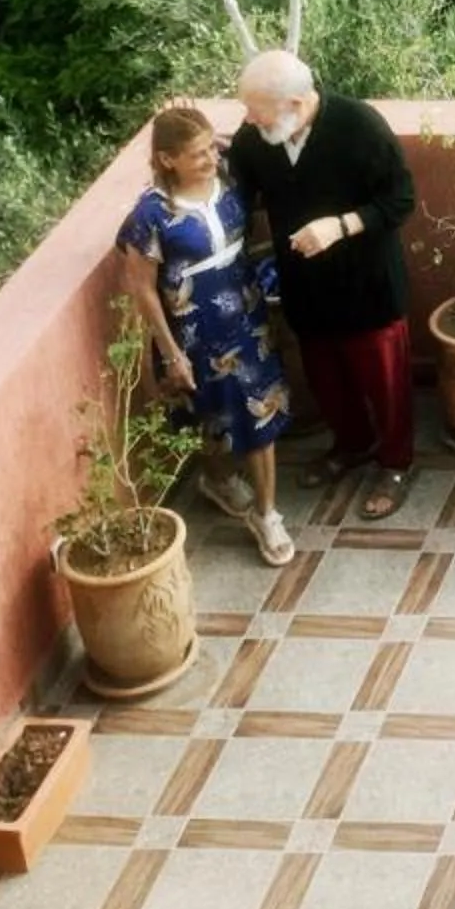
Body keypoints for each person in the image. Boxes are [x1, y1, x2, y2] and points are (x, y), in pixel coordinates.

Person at [228, 49, 421, 521]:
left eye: (257, 109)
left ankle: (396, 463)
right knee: (326, 377)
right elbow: (239, 188)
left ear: (295, 103)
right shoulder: (257, 138)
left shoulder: (359, 126)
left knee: (385, 380)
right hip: (304, 285)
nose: (248, 119)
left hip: (367, 284)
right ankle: (351, 444)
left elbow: (400, 199)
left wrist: (342, 225)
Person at [118, 105, 296, 566]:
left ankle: (267, 514)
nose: (208, 159)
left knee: (261, 414)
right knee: (212, 418)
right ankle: (216, 479)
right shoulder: (152, 215)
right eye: (196, 154)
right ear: (167, 159)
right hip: (195, 332)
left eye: (210, 148)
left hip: (247, 315)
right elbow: (141, 287)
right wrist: (170, 351)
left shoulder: (230, 181)